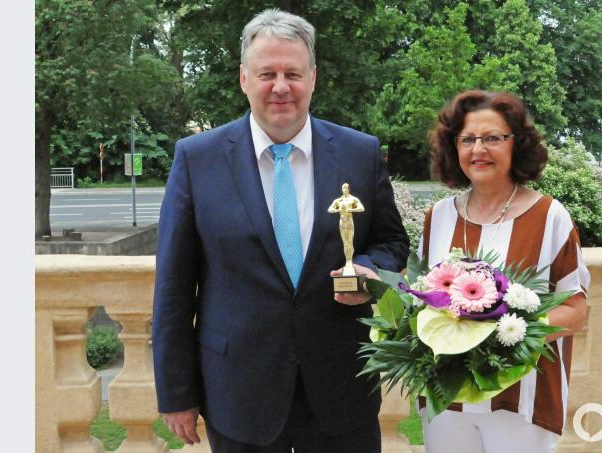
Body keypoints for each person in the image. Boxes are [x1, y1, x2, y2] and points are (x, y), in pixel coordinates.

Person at [151, 9, 409, 453]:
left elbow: (391, 242)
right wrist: (177, 393)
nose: (281, 86)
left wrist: (368, 270)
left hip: (342, 388)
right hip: (238, 393)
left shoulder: (359, 153)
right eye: (266, 73)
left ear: (313, 77)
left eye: (293, 72)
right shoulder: (197, 159)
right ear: (244, 79)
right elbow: (174, 287)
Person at [418, 90, 590, 453]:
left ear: (517, 145)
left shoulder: (549, 217)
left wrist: (506, 334)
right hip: (448, 399)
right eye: (467, 139)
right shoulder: (438, 217)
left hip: (521, 401)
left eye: (493, 138)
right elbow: (421, 297)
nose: (479, 149)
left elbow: (575, 309)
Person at [327, 183, 365, 276]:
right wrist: (338, 210)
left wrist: (350, 210)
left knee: (350, 241)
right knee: (345, 242)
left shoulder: (353, 199)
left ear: (349, 189)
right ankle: (347, 260)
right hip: (342, 221)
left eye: (345, 188)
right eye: (343, 188)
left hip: (349, 220)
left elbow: (361, 208)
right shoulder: (338, 200)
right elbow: (330, 209)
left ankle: (349, 261)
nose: (344, 190)